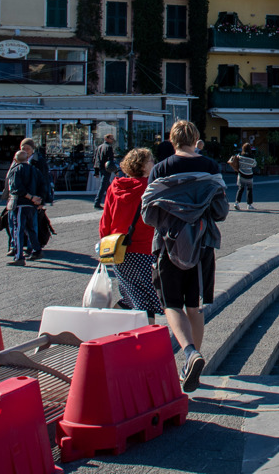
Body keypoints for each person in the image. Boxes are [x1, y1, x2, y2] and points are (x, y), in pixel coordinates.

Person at [142, 119, 227, 393]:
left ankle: (190, 353)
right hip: (202, 245)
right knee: (195, 305)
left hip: (169, 245)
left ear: (172, 139)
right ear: (196, 138)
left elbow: (148, 213)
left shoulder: (161, 168)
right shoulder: (211, 167)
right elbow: (220, 211)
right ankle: (194, 360)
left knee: (172, 304)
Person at [99, 148, 161, 321]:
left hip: (118, 249)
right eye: (151, 161)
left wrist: (105, 243)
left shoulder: (115, 186)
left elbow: (106, 220)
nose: (154, 164)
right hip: (143, 249)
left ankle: (107, 323)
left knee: (131, 295)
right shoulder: (150, 188)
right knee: (146, 301)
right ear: (142, 165)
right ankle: (146, 339)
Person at [5, 150, 42, 266]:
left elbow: (17, 188)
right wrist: (39, 199)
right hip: (32, 205)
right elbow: (42, 184)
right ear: (27, 159)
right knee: (30, 228)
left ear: (15, 160)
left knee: (19, 229)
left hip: (21, 203)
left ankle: (19, 256)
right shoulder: (35, 170)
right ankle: (37, 250)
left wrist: (30, 197)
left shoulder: (16, 170)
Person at [93, 133, 116, 209]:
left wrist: (96, 171)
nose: (113, 140)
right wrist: (115, 171)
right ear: (107, 139)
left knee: (107, 186)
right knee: (103, 186)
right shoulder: (108, 147)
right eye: (111, 139)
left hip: (101, 168)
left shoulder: (99, 147)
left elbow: (96, 159)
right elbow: (110, 161)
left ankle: (112, 201)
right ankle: (97, 202)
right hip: (106, 169)